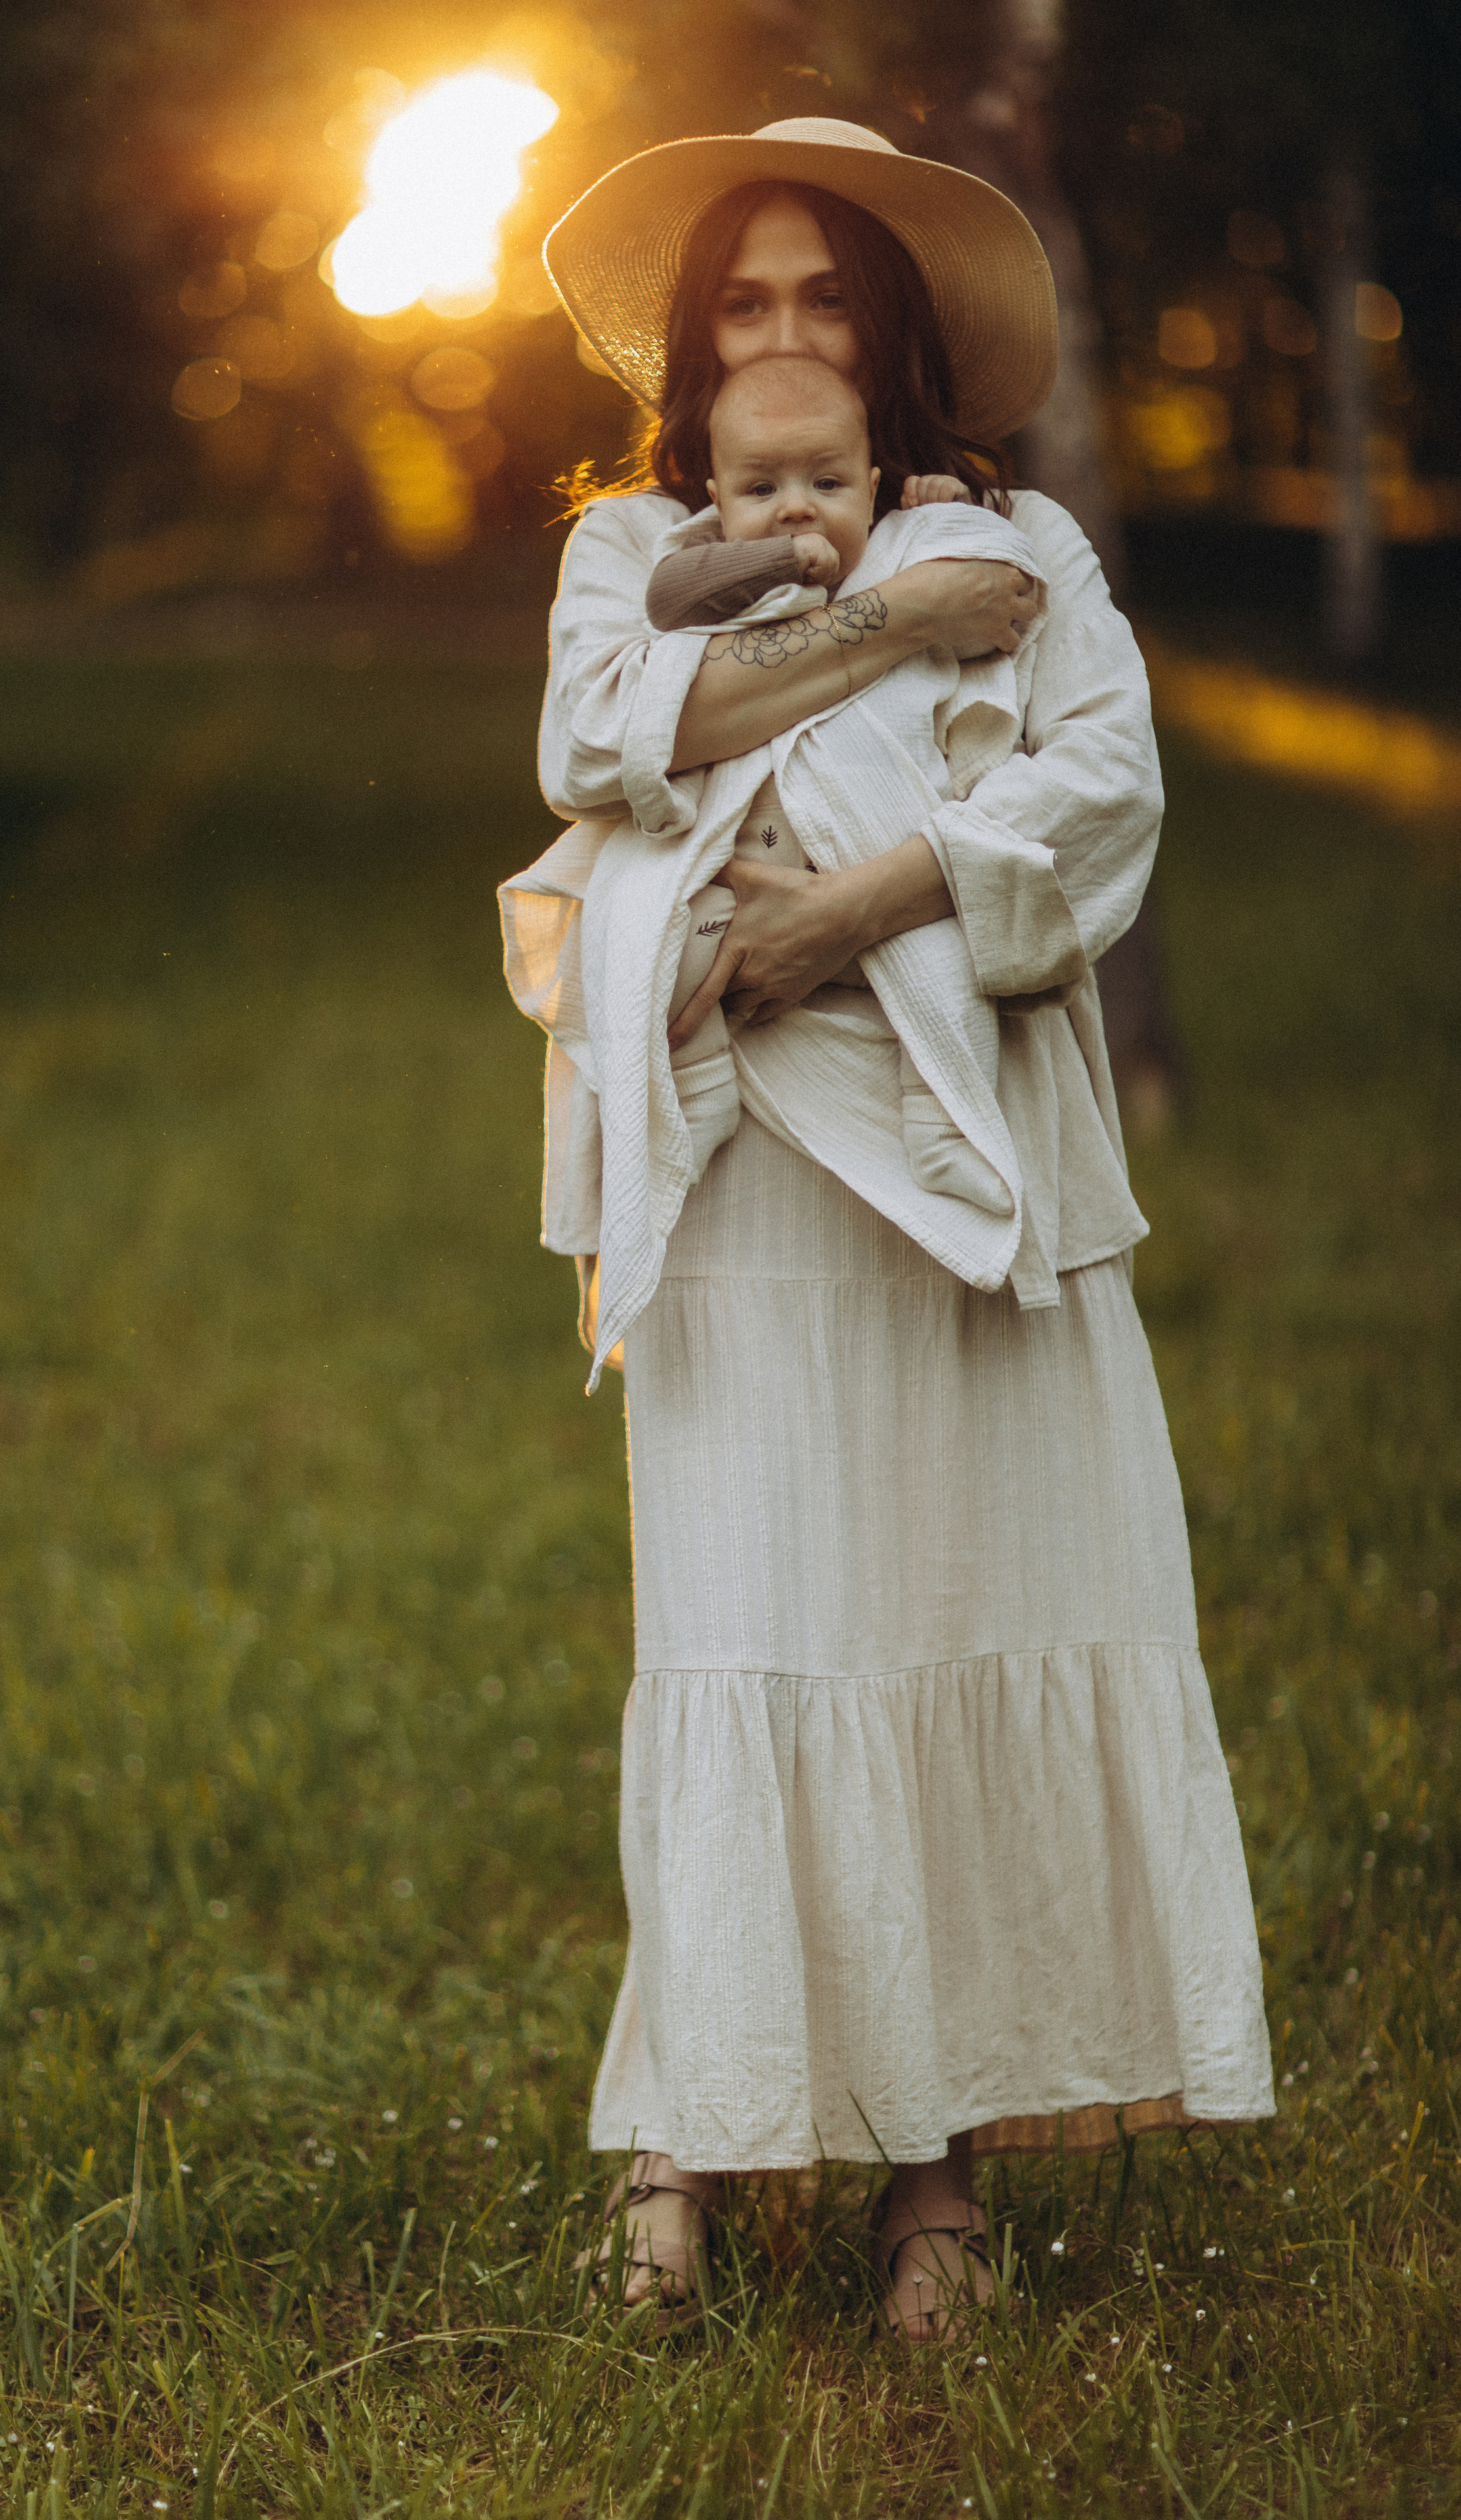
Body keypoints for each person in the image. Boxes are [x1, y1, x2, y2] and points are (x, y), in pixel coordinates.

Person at [499, 117, 1273, 2342]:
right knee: (752, 1631)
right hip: (742, 1178)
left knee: (939, 1613)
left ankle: (937, 2173)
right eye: (741, 302)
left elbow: (1098, 790)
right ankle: (699, 2131)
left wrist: (839, 912)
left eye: (821, 293)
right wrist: (876, 624)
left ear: (898, 329)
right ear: (691, 346)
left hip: (978, 1178)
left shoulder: (1025, 544)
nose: (780, 333)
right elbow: (600, 737)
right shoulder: (624, 550)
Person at [650, 353, 1046, 1219]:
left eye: (825, 481)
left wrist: (953, 510)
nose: (795, 503)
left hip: (880, 853)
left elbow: (995, 601)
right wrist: (780, 559)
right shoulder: (710, 566)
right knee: (664, 948)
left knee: (950, 968)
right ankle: (701, 1075)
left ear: (874, 488)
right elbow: (666, 603)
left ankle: (944, 1125)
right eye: (761, 489)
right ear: (716, 498)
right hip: (737, 878)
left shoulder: (907, 553)